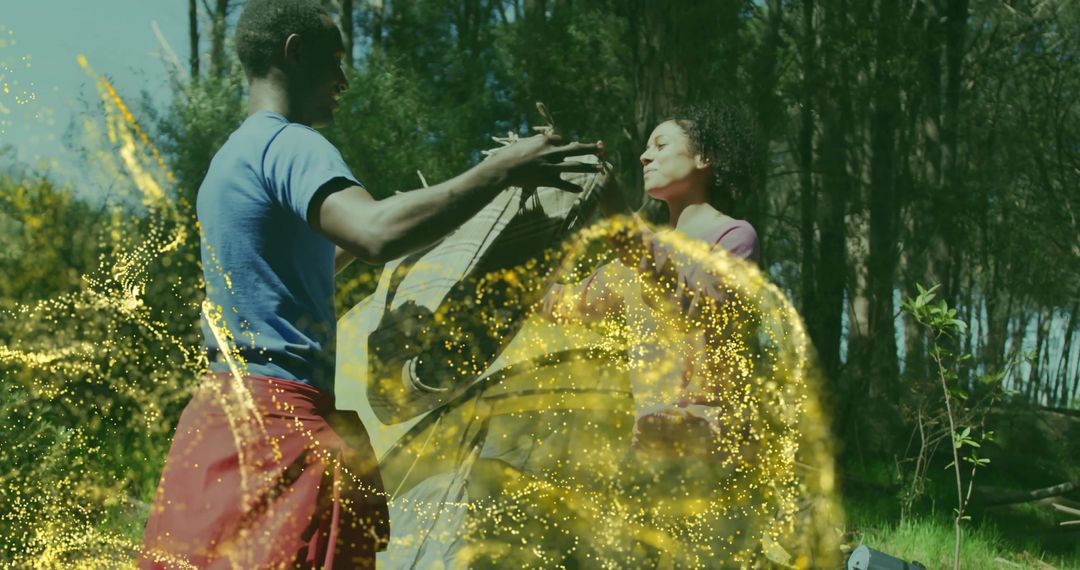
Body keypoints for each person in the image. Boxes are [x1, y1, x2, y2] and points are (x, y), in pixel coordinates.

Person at [137, 1, 601, 568]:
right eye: (334, 61)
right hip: (279, 435)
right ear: (294, 51)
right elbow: (374, 233)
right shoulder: (292, 145)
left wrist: (442, 227)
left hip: (219, 430)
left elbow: (314, 260)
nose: (344, 81)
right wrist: (498, 172)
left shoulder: (229, 161)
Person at [542, 103, 760, 454]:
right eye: (645, 149)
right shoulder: (638, 256)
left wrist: (615, 206)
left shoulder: (733, 236)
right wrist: (502, 278)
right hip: (650, 448)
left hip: (714, 447)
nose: (644, 157)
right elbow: (567, 304)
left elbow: (696, 309)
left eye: (660, 146)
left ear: (705, 157)